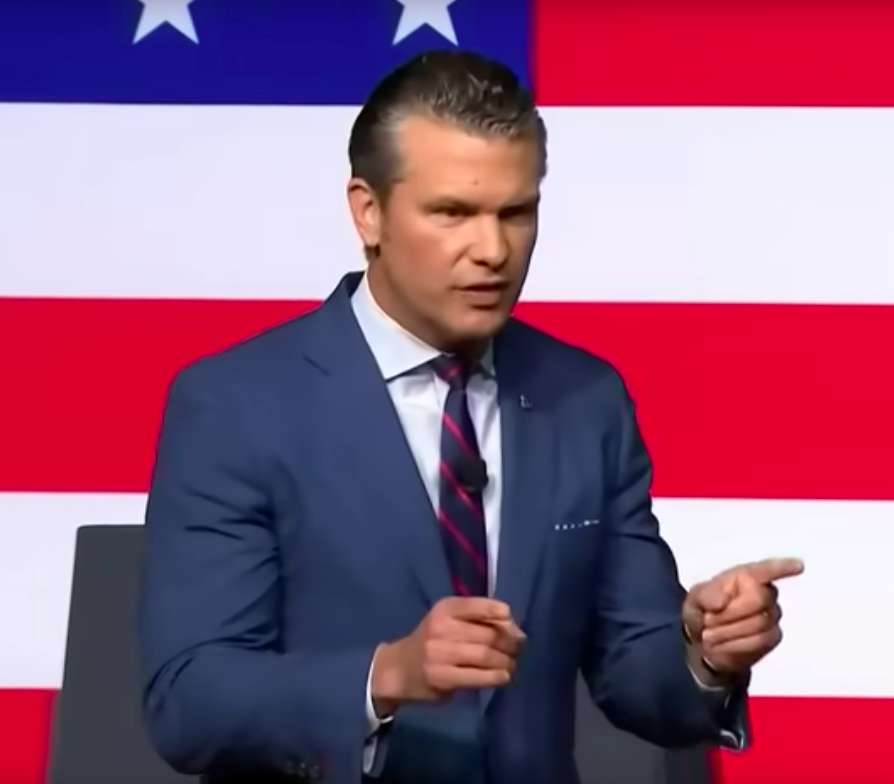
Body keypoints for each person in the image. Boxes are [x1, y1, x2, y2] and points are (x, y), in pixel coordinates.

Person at [137, 50, 802, 784]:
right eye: (451, 212)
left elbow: (634, 673)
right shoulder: (236, 405)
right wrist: (384, 674)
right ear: (369, 211)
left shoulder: (583, 399)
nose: (491, 251)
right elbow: (190, 701)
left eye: (514, 213)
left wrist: (704, 653)